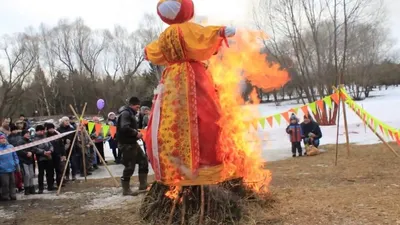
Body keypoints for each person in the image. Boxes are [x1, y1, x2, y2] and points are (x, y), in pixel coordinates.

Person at [144, 0, 236, 182]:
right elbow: (203, 36)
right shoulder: (187, 29)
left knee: (171, 119)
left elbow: (153, 51)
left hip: (171, 80)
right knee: (206, 117)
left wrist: (146, 51)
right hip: (194, 77)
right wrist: (221, 31)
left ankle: (176, 169)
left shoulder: (165, 35)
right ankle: (205, 167)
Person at [117, 97, 148, 196]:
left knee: (143, 161)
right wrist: (136, 133)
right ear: (131, 105)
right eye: (137, 107)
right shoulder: (125, 113)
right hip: (126, 144)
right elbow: (124, 127)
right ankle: (126, 190)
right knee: (130, 167)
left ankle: (143, 184)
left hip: (132, 143)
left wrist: (136, 132)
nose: (138, 109)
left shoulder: (130, 113)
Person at [34, 125, 55, 193]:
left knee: (50, 172)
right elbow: (34, 148)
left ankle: (50, 185)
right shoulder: (34, 139)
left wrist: (50, 151)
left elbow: (51, 145)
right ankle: (41, 188)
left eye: (43, 130)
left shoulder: (45, 137)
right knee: (41, 174)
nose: (42, 132)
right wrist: (43, 152)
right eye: (41, 131)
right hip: (41, 158)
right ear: (37, 131)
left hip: (49, 157)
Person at [46, 123, 66, 187]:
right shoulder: (46, 136)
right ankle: (50, 185)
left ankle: (59, 183)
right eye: (49, 129)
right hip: (49, 156)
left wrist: (63, 154)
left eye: (52, 128)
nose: (51, 130)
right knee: (50, 171)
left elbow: (61, 145)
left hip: (57, 154)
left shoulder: (57, 135)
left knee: (59, 170)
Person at [0, 133, 19, 201]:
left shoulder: (10, 146)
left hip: (11, 168)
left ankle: (13, 195)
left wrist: (15, 163)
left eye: (4, 138)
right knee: (5, 184)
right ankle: (5, 196)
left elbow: (15, 156)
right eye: (1, 138)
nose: (3, 140)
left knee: (13, 183)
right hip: (2, 170)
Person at [16, 130, 36, 195]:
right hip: (24, 160)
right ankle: (26, 188)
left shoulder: (30, 141)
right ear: (23, 134)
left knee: (31, 174)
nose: (28, 135)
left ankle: (32, 188)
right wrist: (26, 153)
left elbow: (33, 148)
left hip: (30, 160)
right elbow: (19, 151)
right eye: (26, 133)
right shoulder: (20, 142)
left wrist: (31, 152)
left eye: (29, 133)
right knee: (26, 175)